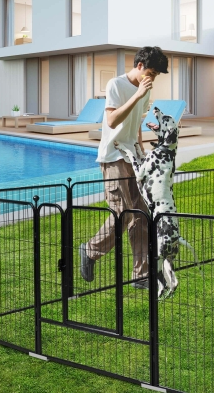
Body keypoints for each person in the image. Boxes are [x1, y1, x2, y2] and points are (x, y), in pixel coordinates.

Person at [79, 46, 169, 289]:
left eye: (156, 75)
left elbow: (135, 123)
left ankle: (141, 276)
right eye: (152, 72)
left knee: (142, 216)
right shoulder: (116, 85)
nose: (153, 78)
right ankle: (90, 250)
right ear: (139, 66)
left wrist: (142, 154)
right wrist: (138, 95)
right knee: (123, 213)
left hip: (133, 158)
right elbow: (111, 120)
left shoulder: (145, 91)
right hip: (113, 157)